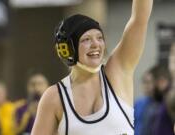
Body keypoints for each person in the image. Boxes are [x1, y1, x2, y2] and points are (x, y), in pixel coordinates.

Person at [31, 0, 153, 135]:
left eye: (100, 38)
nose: (96, 44)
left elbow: (140, 18)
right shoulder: (54, 97)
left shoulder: (117, 73)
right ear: (67, 50)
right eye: (86, 39)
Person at [15, 70, 49, 135]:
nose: (36, 88)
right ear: (27, 87)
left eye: (40, 84)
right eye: (33, 84)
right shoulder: (19, 108)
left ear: (48, 86)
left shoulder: (55, 107)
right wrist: (28, 114)